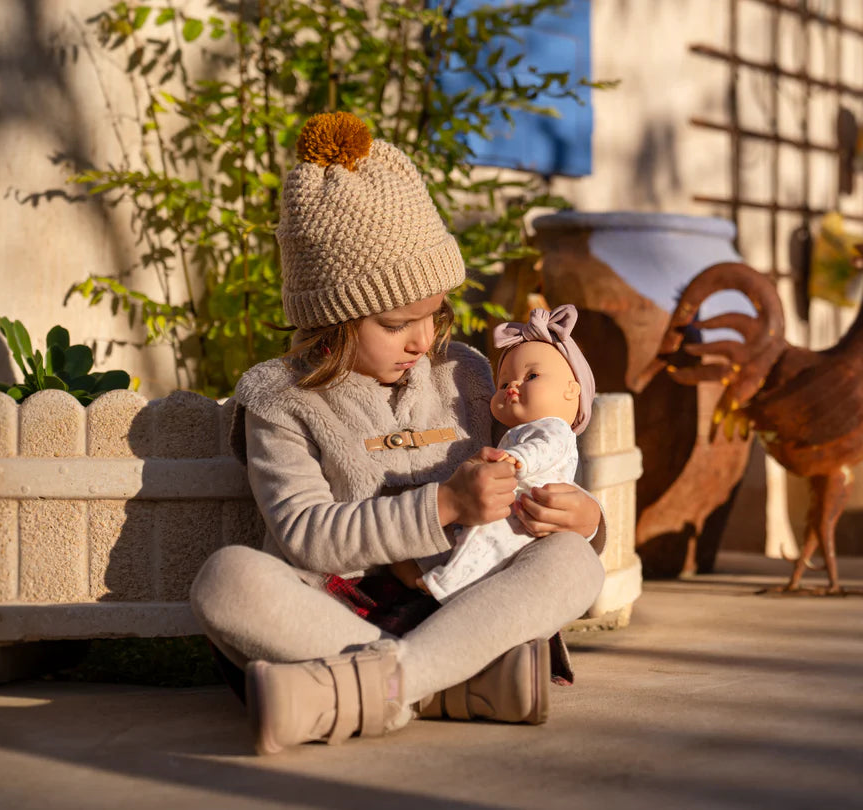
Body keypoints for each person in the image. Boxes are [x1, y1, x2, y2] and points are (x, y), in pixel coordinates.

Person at [189, 111, 606, 756]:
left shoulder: (465, 375)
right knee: (225, 580)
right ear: (332, 319)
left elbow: (531, 466)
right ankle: (448, 681)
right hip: (338, 611)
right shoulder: (279, 401)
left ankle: (376, 688)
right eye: (394, 322)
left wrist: (577, 515)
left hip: (466, 599)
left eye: (433, 315)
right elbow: (304, 533)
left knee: (574, 561)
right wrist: (446, 504)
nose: (421, 340)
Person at [417, 304, 596, 602]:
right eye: (502, 383)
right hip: (508, 501)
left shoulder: (554, 428)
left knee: (485, 544)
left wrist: (518, 459)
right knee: (473, 540)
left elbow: (543, 449)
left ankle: (444, 586)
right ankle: (444, 579)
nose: (513, 385)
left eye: (532, 376)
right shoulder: (513, 430)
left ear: (571, 390)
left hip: (524, 508)